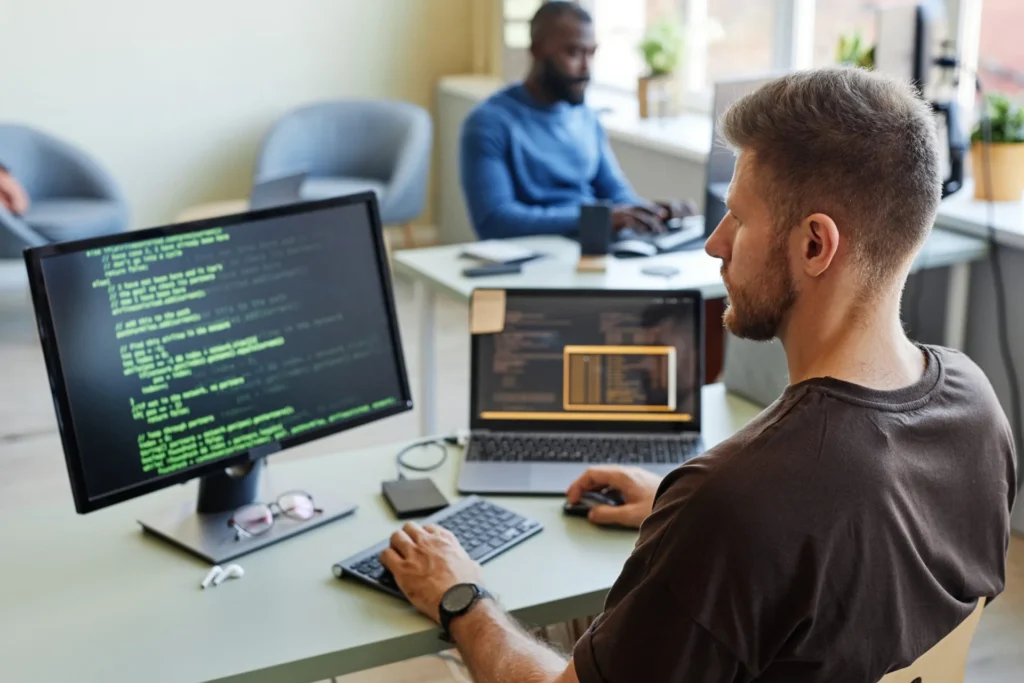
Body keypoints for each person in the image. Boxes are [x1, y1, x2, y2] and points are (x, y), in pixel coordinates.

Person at [379, 67, 1017, 682]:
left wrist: (462, 595)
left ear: (815, 245)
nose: (715, 242)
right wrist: (676, 510)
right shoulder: (976, 405)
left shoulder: (733, 502)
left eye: (738, 217)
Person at [459, 2, 693, 240]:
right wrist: (596, 219)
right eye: (573, 53)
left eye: (591, 53)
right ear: (536, 50)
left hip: (592, 245)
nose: (586, 68)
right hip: (538, 252)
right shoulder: (488, 123)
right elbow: (494, 220)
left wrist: (653, 213)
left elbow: (616, 194)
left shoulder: (586, 118)